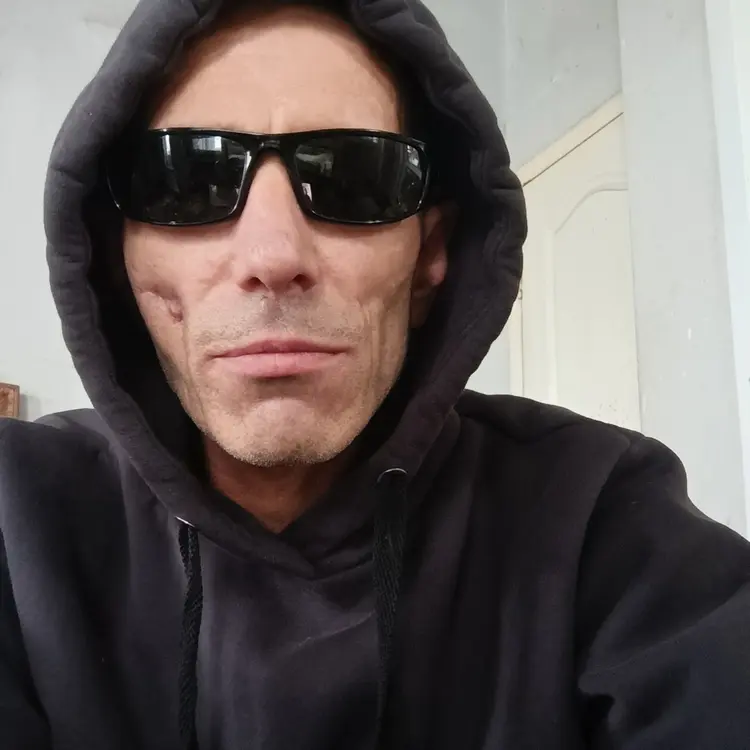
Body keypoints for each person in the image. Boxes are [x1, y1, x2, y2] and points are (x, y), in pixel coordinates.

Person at [1, 0, 749, 747]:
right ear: (120, 261)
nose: (272, 256)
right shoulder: (16, 520)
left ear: (430, 259)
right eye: (188, 179)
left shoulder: (598, 516)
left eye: (356, 178)